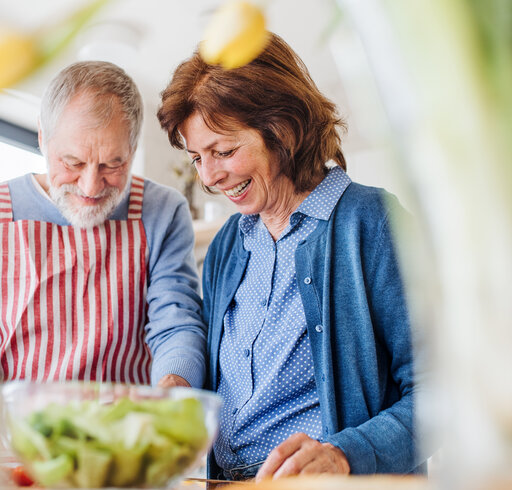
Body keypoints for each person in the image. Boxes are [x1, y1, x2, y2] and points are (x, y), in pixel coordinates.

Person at [157, 33, 424, 480]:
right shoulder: (228, 244)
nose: (211, 176)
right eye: (197, 158)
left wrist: (343, 456)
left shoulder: (372, 223)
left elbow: (446, 393)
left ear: (283, 129)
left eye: (223, 151)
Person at [0, 61, 205, 402]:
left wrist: (170, 393)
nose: (90, 185)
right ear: (43, 137)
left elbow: (176, 326)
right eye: (72, 162)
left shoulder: (163, 211)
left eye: (112, 164)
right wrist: (0, 413)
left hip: (120, 438)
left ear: (132, 152)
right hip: (8, 440)